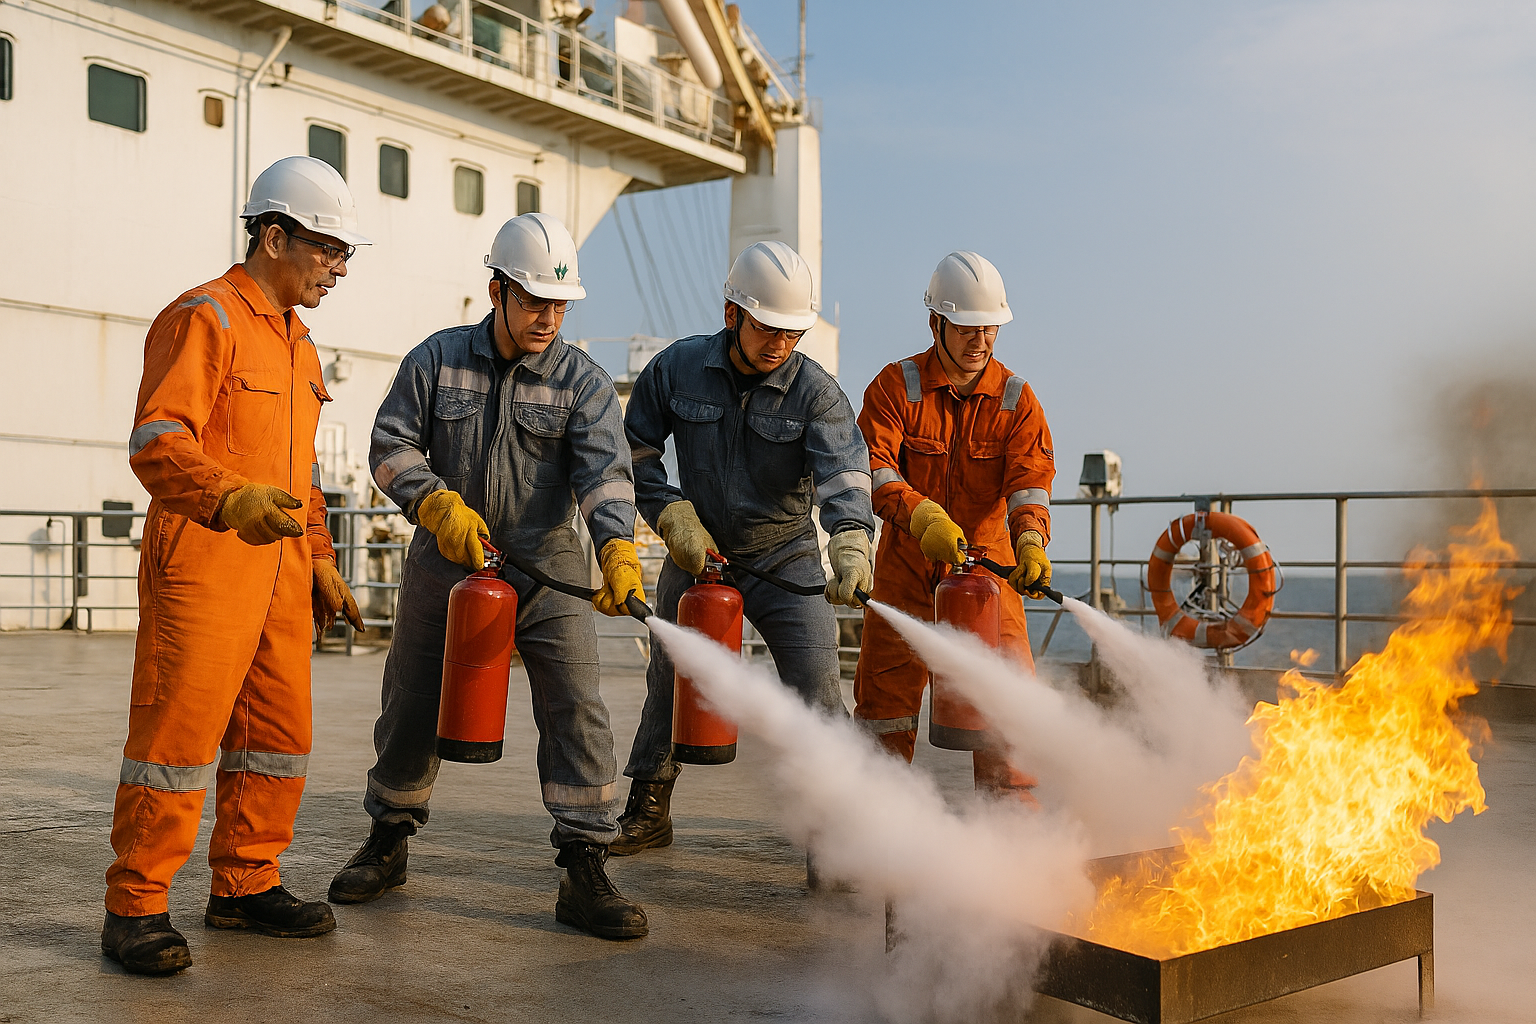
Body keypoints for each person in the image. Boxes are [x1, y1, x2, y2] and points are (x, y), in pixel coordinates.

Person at [328, 213, 651, 940]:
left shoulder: (583, 382)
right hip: (448, 557)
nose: (549, 318)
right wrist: (436, 504)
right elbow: (390, 445)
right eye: (535, 300)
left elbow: (606, 478)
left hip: (548, 563)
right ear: (496, 290)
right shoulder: (437, 361)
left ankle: (584, 862)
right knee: (411, 698)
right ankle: (389, 839)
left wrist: (616, 552)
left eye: (560, 305)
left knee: (576, 705)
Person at [103, 156, 367, 975]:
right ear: (274, 235)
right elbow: (159, 444)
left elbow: (304, 474)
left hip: (282, 568)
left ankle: (246, 885)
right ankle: (137, 905)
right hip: (208, 557)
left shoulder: (299, 345)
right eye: (326, 248)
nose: (339, 267)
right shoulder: (204, 316)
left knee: (275, 736)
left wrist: (319, 556)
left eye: (345, 254)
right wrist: (229, 500)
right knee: (177, 737)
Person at [613, 240, 876, 858]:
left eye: (792, 333)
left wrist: (850, 542)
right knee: (668, 677)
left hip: (785, 557)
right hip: (697, 549)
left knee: (816, 688)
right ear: (732, 312)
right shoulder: (677, 368)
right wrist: (670, 514)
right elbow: (634, 449)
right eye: (767, 328)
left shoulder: (818, 393)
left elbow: (845, 475)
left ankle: (832, 831)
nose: (780, 345)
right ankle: (648, 809)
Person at [854, 251, 1054, 796]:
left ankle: (1011, 841)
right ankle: (877, 838)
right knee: (884, 711)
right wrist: (919, 514)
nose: (981, 340)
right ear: (936, 323)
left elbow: (1029, 482)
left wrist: (1032, 542)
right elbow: (871, 466)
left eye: (990, 328)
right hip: (906, 570)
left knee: (1007, 709)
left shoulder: (1017, 401)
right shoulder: (896, 387)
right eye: (967, 327)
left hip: (991, 575)